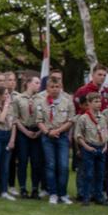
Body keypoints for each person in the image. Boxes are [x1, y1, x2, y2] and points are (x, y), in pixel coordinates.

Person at [37, 77, 74, 205]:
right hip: (47, 136)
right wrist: (48, 132)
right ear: (47, 88)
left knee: (63, 166)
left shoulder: (67, 102)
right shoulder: (42, 102)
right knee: (51, 165)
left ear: (61, 87)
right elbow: (39, 121)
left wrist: (58, 130)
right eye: (52, 87)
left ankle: (62, 194)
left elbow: (70, 120)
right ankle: (52, 193)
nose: (54, 89)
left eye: (57, 86)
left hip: (62, 136)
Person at [74, 92, 108, 205]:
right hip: (89, 147)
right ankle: (86, 196)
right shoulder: (83, 119)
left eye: (100, 101)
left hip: (101, 148)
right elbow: (78, 135)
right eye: (96, 102)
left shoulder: (103, 118)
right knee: (88, 174)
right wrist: (86, 147)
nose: (99, 104)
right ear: (89, 103)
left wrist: (105, 145)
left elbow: (105, 133)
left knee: (100, 174)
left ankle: (98, 196)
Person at [13, 75, 44, 198]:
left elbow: (45, 118)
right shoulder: (18, 98)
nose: (39, 85)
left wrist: (39, 132)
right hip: (23, 132)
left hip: (37, 131)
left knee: (36, 162)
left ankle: (35, 188)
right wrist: (25, 132)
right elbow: (15, 117)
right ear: (28, 83)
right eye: (36, 82)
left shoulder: (42, 99)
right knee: (23, 161)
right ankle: (23, 188)